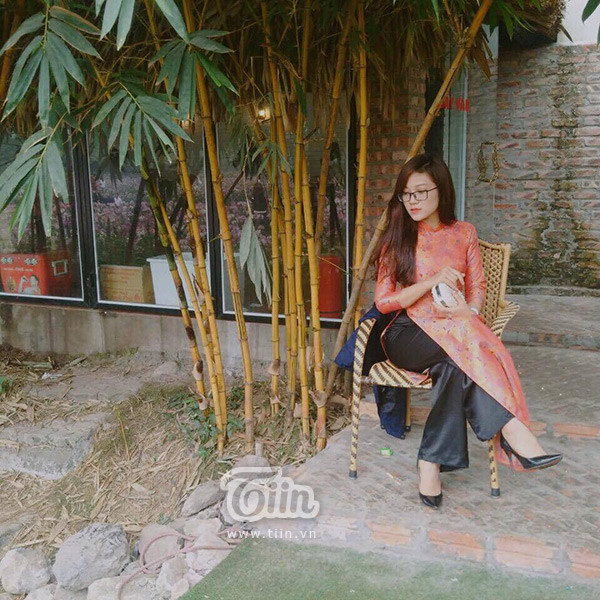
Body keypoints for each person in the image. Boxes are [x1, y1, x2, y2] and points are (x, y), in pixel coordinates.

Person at [370, 152, 562, 509]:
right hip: (407, 333)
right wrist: (430, 282)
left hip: (454, 332)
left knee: (453, 366)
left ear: (441, 190)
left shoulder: (464, 233)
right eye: (406, 194)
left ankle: (429, 463)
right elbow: (383, 303)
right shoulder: (397, 237)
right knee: (462, 347)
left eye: (421, 192)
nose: (412, 201)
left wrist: (468, 310)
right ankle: (512, 430)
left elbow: (478, 288)